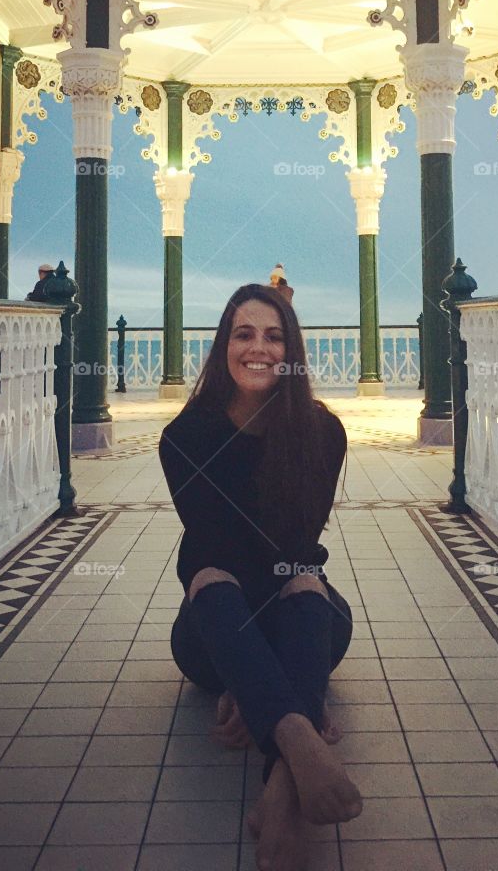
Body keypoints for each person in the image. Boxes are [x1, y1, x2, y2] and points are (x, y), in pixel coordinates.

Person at [159, 284, 361, 871]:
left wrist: (250, 683)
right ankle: (298, 736)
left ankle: (281, 786)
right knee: (212, 575)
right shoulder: (186, 437)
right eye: (243, 334)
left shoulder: (322, 432)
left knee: (304, 579)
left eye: (274, 336)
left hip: (289, 609)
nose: (258, 348)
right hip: (210, 633)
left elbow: (300, 549)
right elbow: (210, 553)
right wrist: (254, 668)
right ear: (224, 346)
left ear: (291, 350)